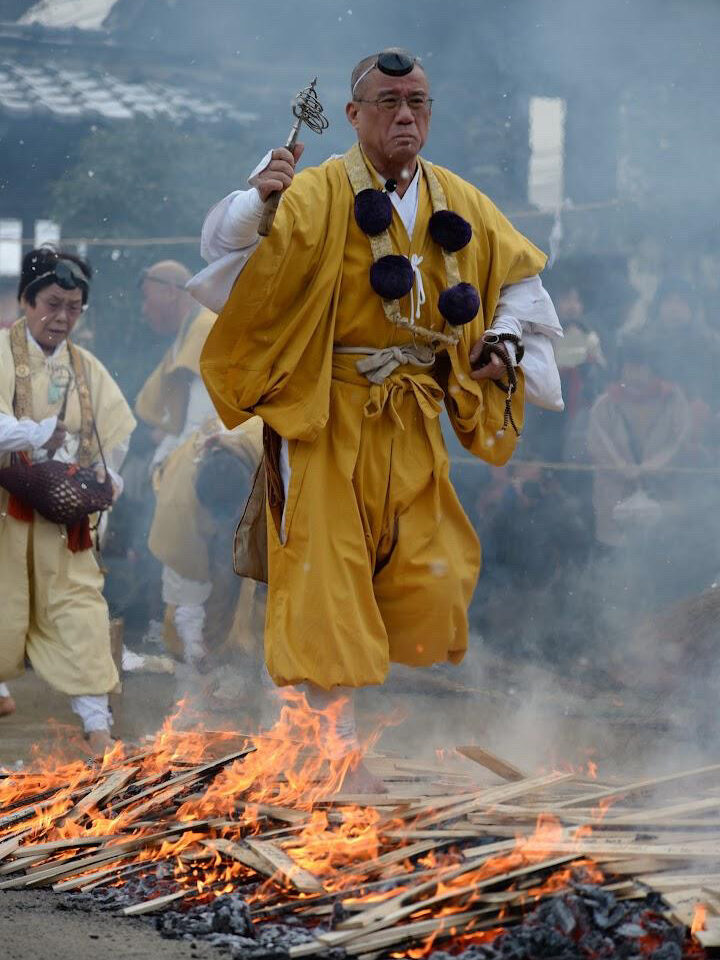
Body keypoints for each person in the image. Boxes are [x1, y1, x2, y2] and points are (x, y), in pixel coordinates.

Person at [190, 49, 563, 789]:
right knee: (324, 577)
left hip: (413, 417)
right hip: (325, 414)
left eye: (417, 102)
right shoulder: (315, 191)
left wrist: (503, 342)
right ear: (354, 115)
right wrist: (256, 200)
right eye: (388, 102)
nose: (405, 116)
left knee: (433, 570)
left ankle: (308, 719)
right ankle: (333, 754)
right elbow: (228, 247)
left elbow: (522, 283)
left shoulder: (460, 199)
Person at [0, 248, 136, 753]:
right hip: (4, 515)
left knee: (81, 612)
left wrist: (108, 480)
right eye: (52, 304)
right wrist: (37, 434)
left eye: (73, 308)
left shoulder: (87, 368)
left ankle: (97, 727)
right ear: (26, 301)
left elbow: (114, 439)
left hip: (61, 522)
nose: (61, 317)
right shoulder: (0, 353)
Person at [147, 413, 264, 692]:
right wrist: (193, 644)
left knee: (265, 590)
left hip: (263, 515)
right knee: (213, 585)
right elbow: (185, 584)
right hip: (201, 531)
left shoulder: (277, 456)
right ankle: (207, 665)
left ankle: (265, 667)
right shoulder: (179, 504)